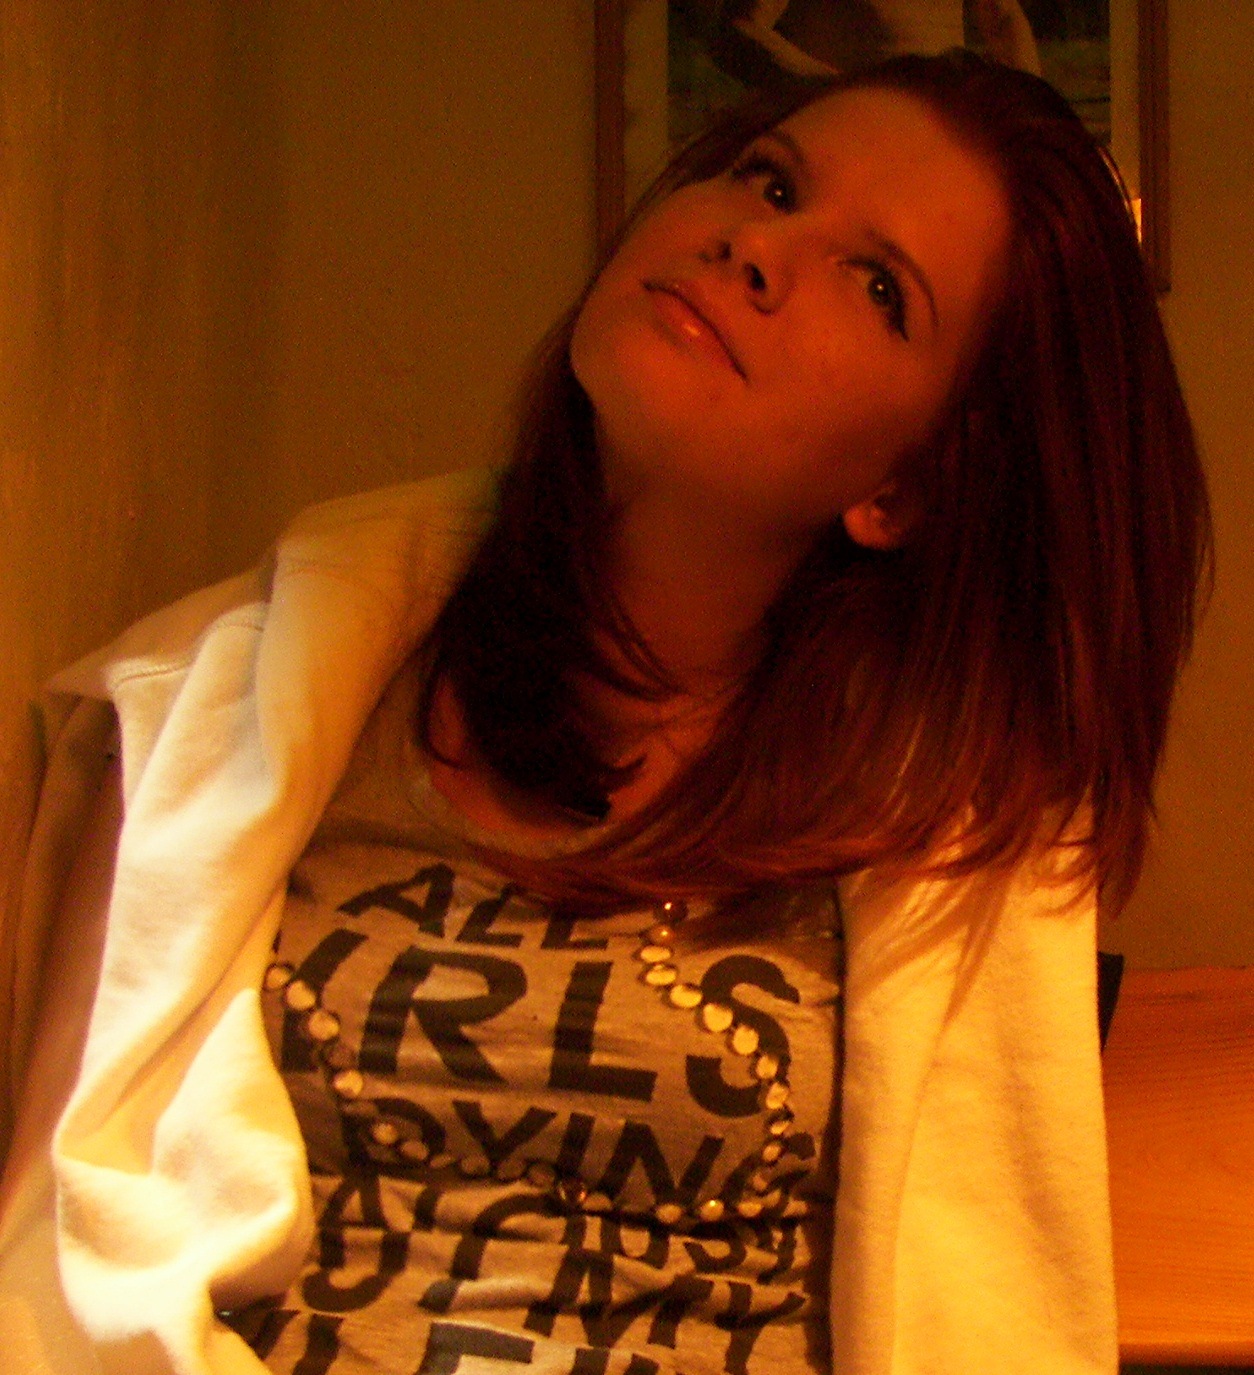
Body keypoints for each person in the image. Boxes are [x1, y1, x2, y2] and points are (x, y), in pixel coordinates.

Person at [0, 49, 1209, 1375]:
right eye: (771, 182)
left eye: (878, 287)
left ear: (905, 489)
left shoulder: (944, 849)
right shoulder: (230, 704)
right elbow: (68, 1245)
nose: (757, 246)